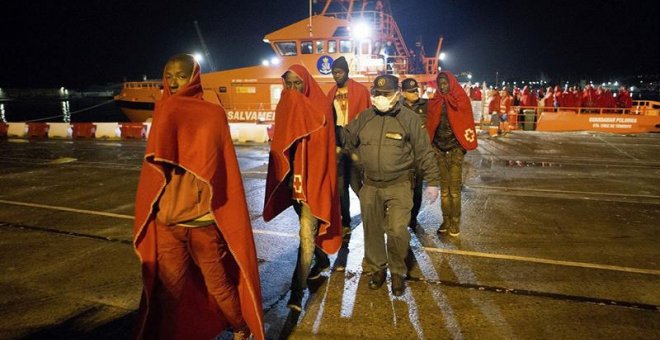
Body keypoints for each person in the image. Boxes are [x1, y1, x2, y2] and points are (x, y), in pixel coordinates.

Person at [132, 54, 264, 340]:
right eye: (169, 75)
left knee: (217, 285)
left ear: (194, 75)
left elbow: (220, 168)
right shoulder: (163, 110)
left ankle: (241, 328)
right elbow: (154, 171)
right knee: (168, 291)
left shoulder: (212, 113)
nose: (174, 81)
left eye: (181, 75)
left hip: (203, 221)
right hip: (168, 220)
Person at [336, 75, 440, 296]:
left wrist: (433, 181)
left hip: (399, 185)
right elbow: (347, 139)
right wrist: (330, 124)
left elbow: (424, 152)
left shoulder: (409, 119)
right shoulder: (365, 117)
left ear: (396, 94)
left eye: (385, 94)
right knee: (372, 231)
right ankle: (377, 269)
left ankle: (397, 272)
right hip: (370, 185)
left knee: (397, 230)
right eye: (377, 94)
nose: (380, 98)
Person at [263, 64, 342, 312]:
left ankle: (296, 293)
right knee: (308, 233)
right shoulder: (285, 106)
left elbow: (324, 152)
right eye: (289, 83)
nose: (293, 88)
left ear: (306, 83)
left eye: (298, 83)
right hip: (292, 183)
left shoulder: (320, 108)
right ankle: (322, 259)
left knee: (305, 237)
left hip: (313, 184)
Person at [426, 71, 479, 237]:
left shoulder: (461, 99)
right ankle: (446, 220)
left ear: (451, 83)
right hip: (439, 150)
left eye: (445, 83)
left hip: (455, 149)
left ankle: (455, 222)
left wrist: (461, 148)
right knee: (444, 190)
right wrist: (433, 145)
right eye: (440, 83)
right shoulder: (435, 100)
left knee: (454, 190)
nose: (442, 86)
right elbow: (431, 124)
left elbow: (465, 122)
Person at [326, 56, 371, 250]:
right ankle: (345, 222)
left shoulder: (360, 90)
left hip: (355, 144)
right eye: (334, 72)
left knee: (358, 184)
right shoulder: (330, 93)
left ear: (346, 72)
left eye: (340, 72)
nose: (337, 75)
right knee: (340, 187)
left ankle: (372, 218)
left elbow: (368, 116)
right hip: (338, 143)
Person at [400, 77, 428, 230]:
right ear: (403, 93)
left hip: (419, 155)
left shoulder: (426, 106)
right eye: (411, 91)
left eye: (416, 90)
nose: (415, 93)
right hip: (402, 155)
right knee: (403, 189)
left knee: (417, 189)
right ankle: (403, 217)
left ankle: (413, 218)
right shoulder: (397, 107)